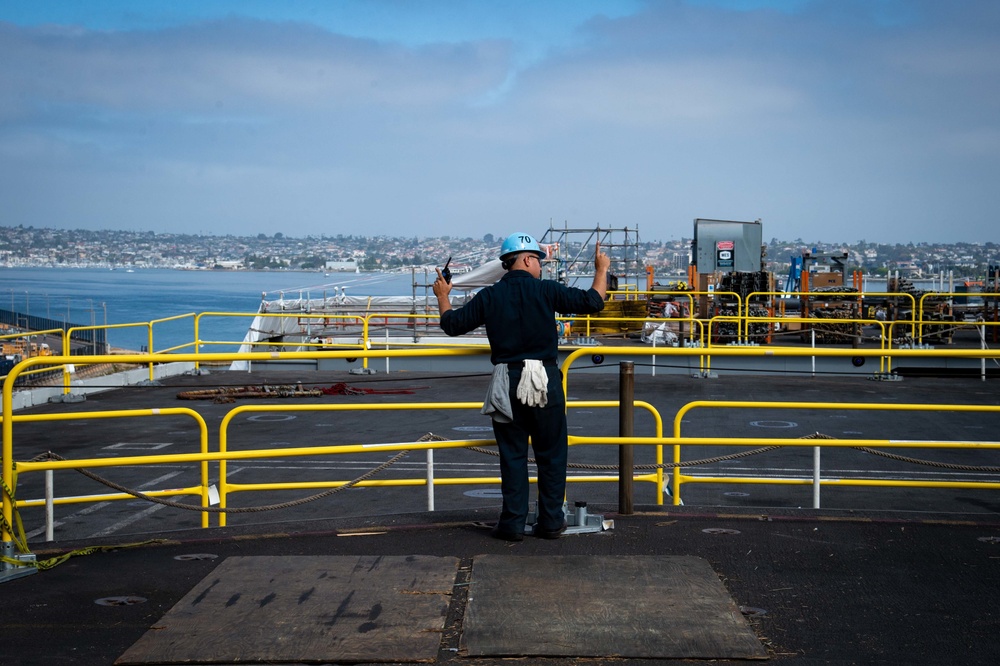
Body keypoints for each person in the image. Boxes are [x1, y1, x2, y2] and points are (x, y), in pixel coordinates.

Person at [433, 232, 610, 540]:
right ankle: (551, 521)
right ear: (528, 259)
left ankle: (513, 523)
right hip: (544, 378)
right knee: (551, 455)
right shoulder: (546, 291)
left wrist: (442, 296)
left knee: (513, 456)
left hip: (506, 380)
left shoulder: (490, 296)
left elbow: (452, 325)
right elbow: (594, 302)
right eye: (539, 261)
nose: (541, 267)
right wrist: (601, 269)